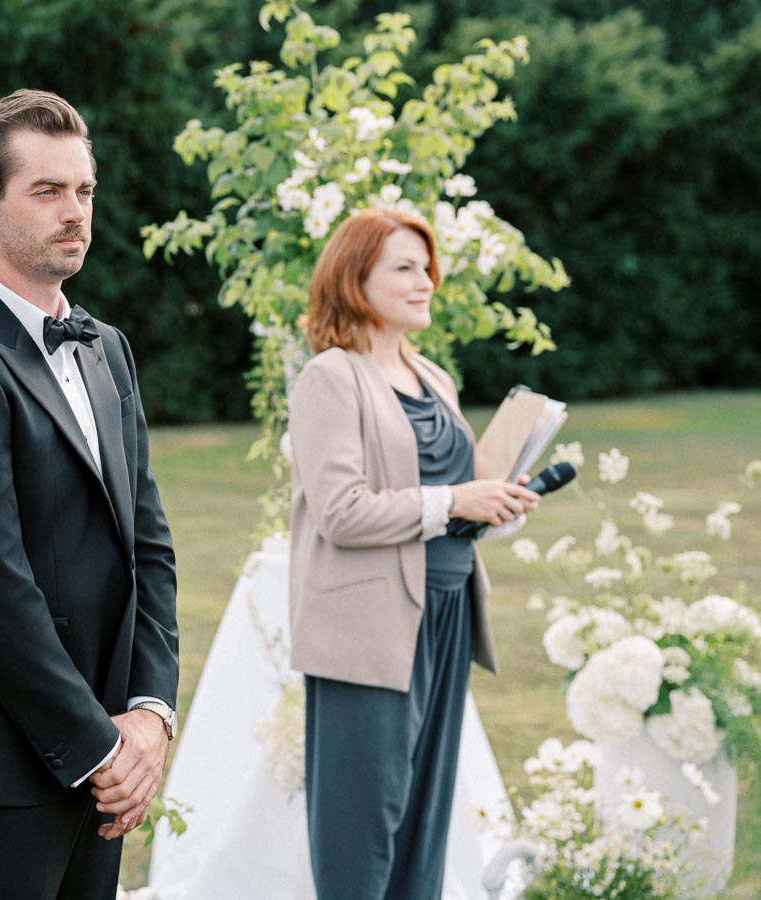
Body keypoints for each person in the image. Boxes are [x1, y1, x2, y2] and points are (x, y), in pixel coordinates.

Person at [0, 89, 180, 899]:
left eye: (83, 190)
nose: (75, 211)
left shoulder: (106, 350)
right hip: (2, 770)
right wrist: (98, 749)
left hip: (111, 760)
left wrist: (149, 714)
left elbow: (146, 545)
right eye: (47, 191)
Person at [286, 208, 539, 899]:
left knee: (425, 819)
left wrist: (492, 506)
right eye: (404, 266)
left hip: (448, 616)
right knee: (363, 826)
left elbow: (447, 504)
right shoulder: (331, 379)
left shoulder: (434, 378)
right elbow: (342, 513)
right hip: (368, 626)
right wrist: (457, 501)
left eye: (427, 266)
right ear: (354, 276)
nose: (425, 280)